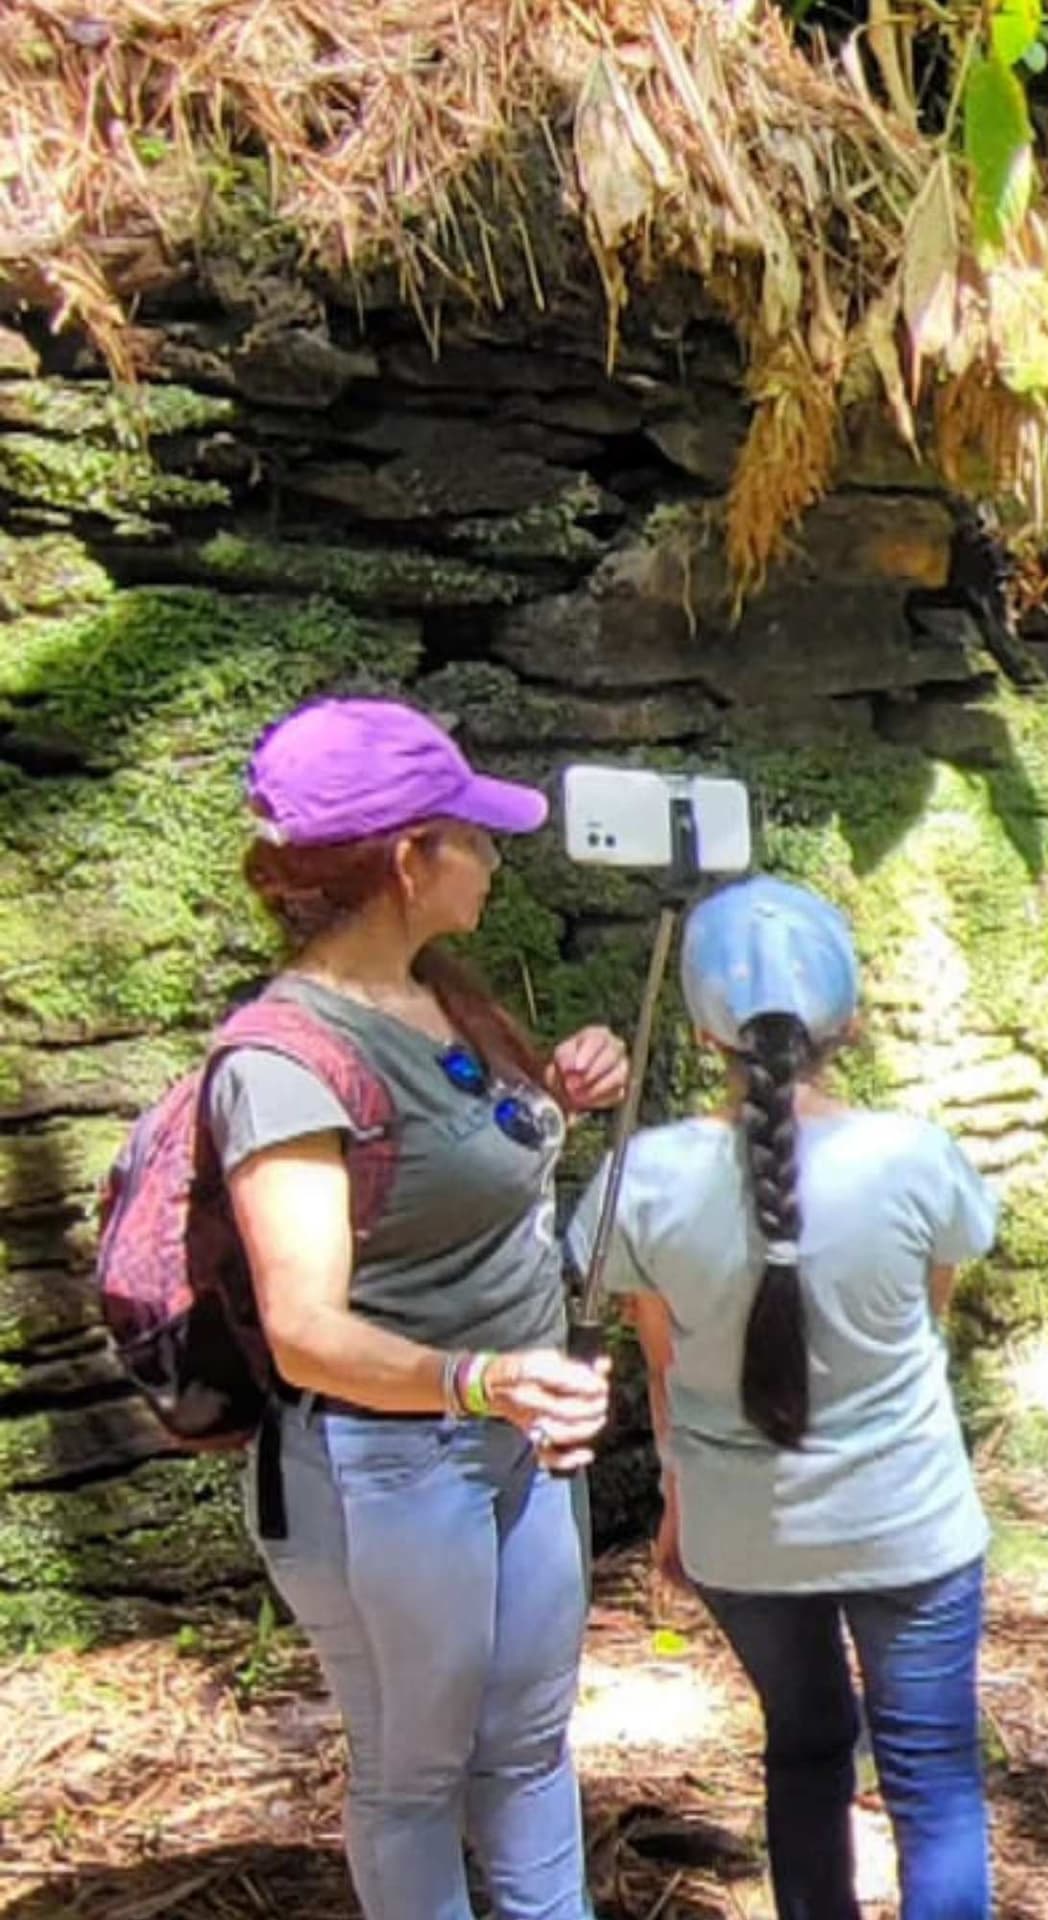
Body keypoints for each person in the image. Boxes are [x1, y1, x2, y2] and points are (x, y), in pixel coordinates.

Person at [218, 697, 627, 1920]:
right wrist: (478, 1380)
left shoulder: (436, 990)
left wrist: (559, 1088)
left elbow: (456, 1153)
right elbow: (304, 1330)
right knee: (415, 1775)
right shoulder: (281, 1061)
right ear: (409, 861)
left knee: (529, 1745)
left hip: (518, 1443)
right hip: (391, 1466)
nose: (497, 861)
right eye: (477, 837)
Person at [571, 877, 1003, 1920]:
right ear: (847, 1019)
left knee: (804, 1748)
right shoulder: (915, 1158)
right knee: (934, 1778)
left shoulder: (649, 1176)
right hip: (909, 1522)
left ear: (702, 1029)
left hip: (739, 1533)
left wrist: (678, 1501)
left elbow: (659, 1362)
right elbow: (929, 1313)